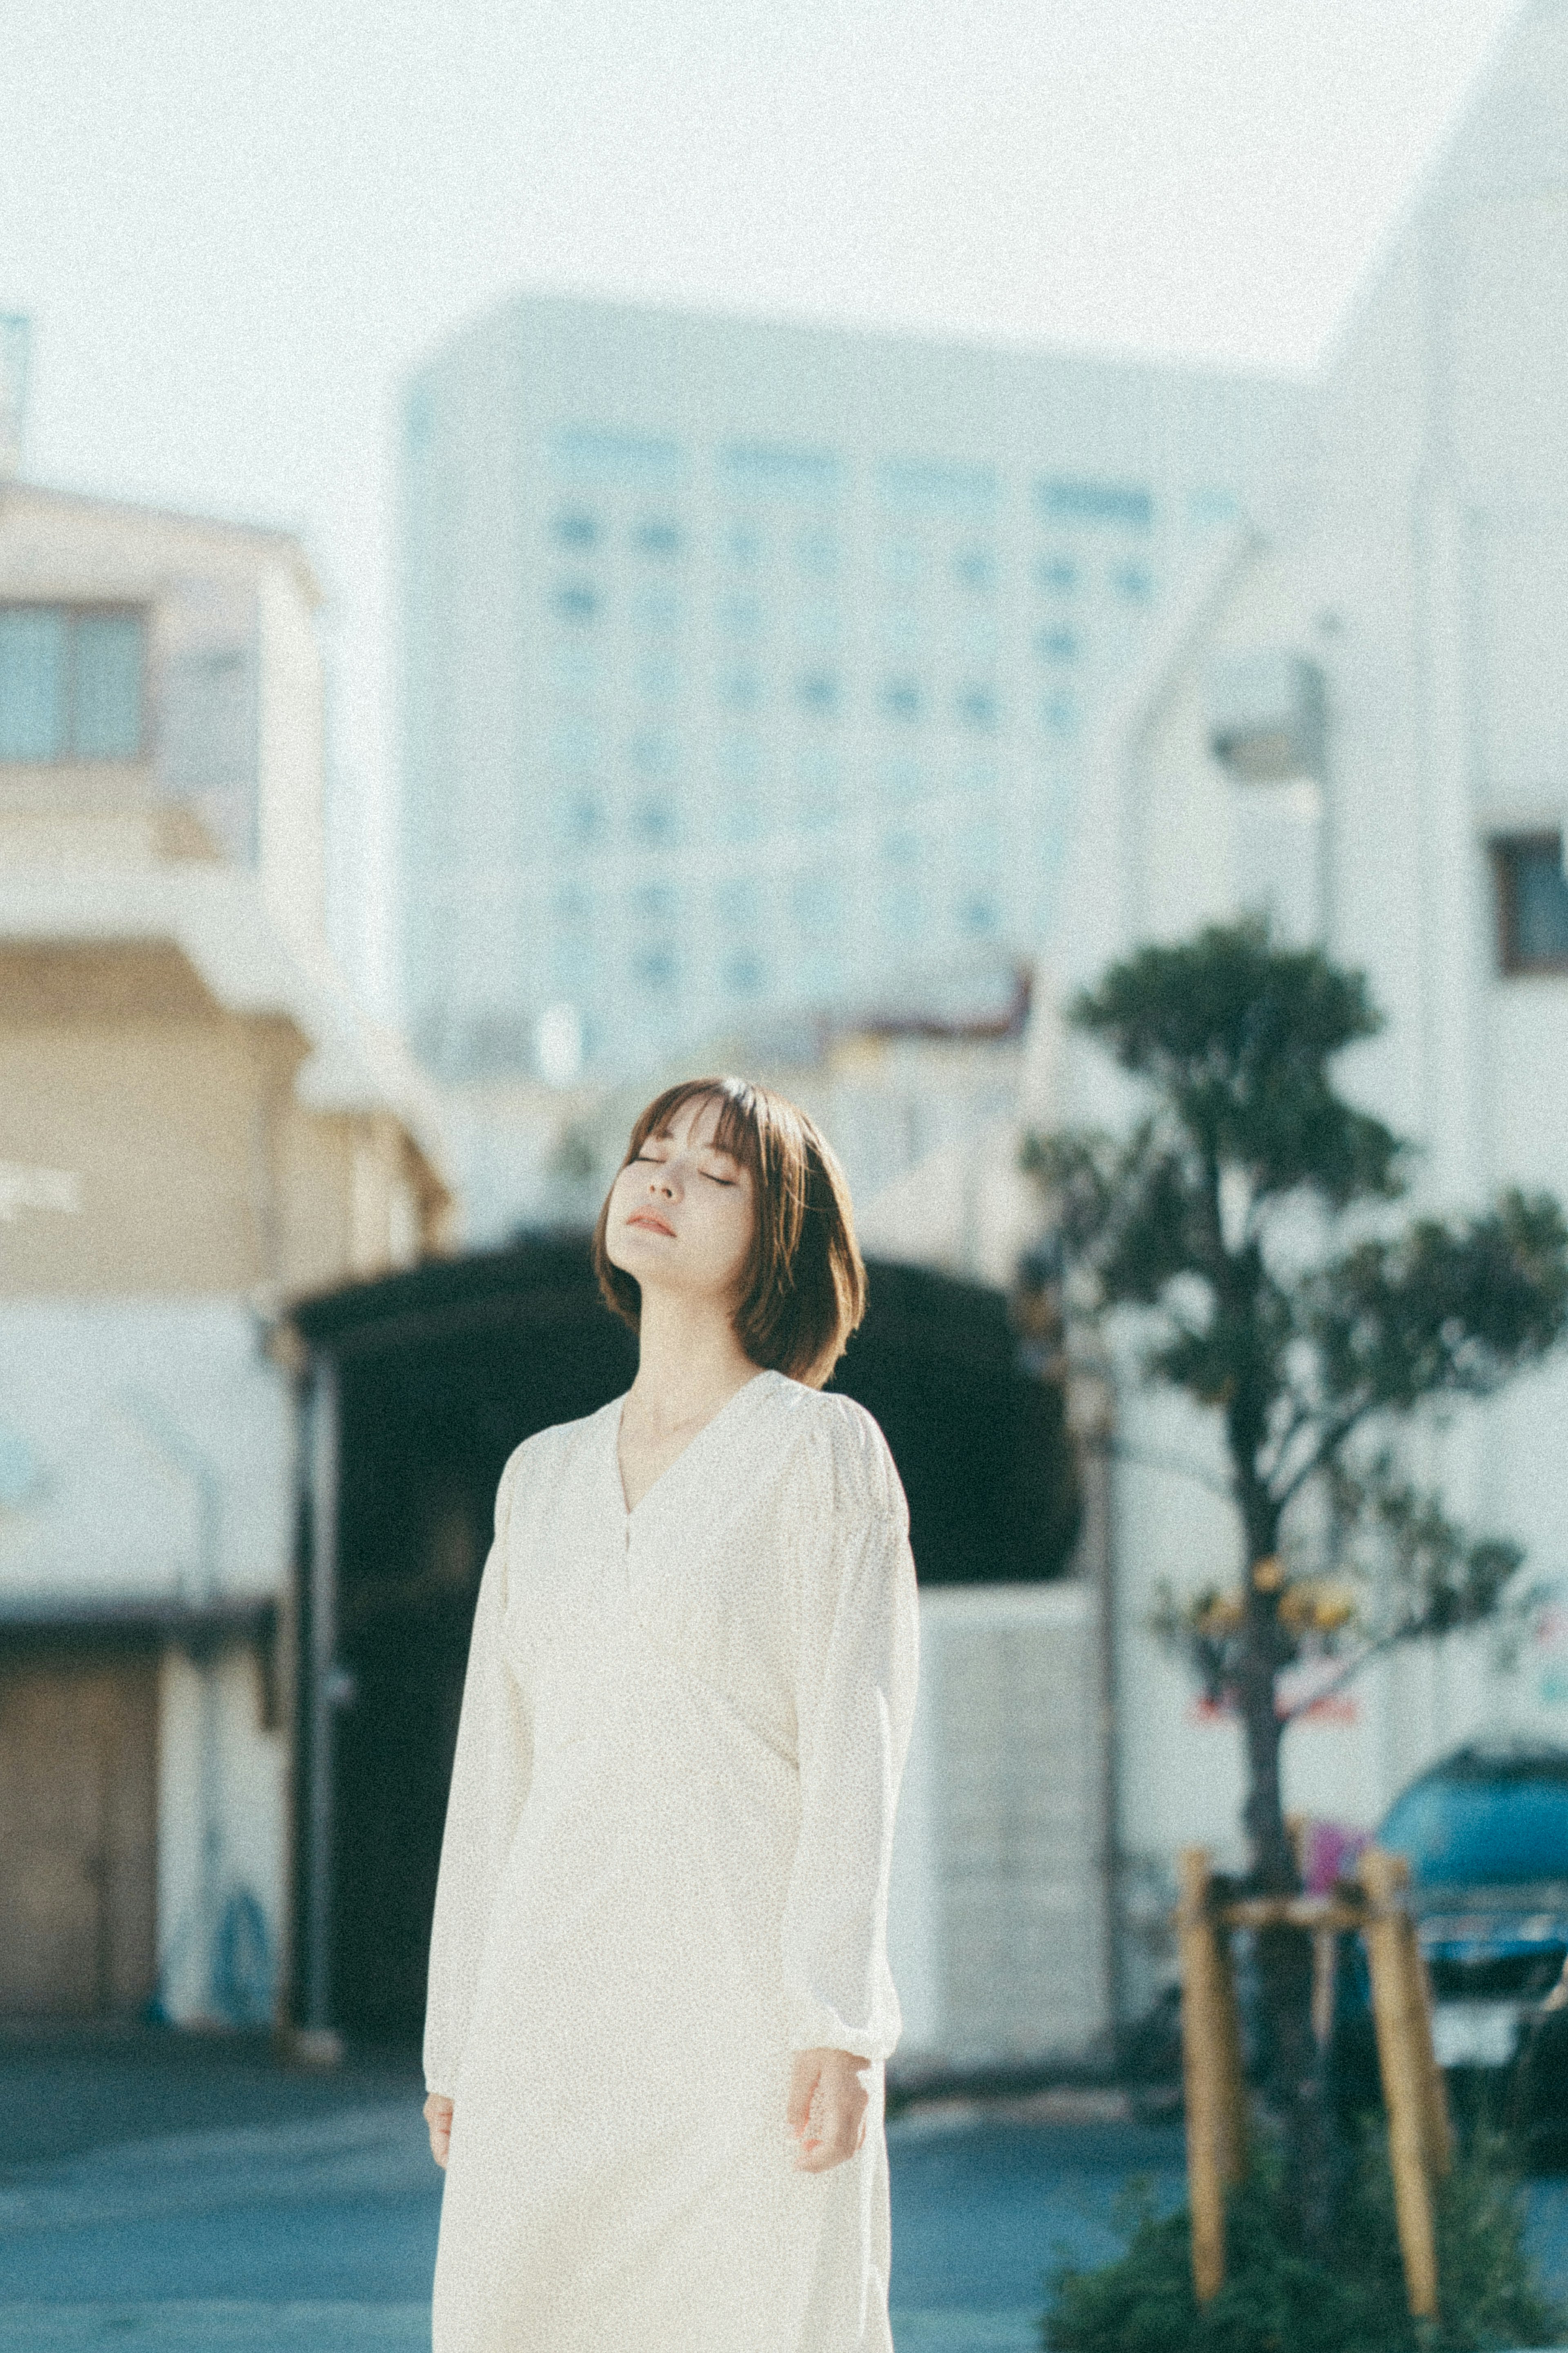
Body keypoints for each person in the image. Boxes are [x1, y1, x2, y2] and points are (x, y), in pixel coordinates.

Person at [421, 1073, 921, 2352]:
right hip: (550, 2021)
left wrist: (839, 2026)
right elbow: (496, 1774)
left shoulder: (827, 1456)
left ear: (781, 1235)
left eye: (716, 1173)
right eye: (651, 1153)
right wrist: (458, 2039)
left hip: (742, 2033)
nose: (663, 1180)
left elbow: (857, 1756)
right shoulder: (540, 1480)